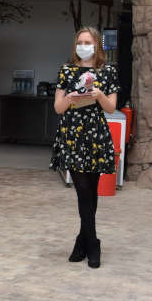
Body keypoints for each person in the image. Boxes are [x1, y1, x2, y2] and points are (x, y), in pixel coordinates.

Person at [50, 27, 119, 267]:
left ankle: (83, 241)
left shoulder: (108, 71)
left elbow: (111, 107)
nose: (83, 45)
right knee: (82, 189)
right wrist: (70, 97)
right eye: (80, 41)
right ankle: (93, 244)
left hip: (96, 135)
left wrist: (98, 94)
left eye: (88, 42)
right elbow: (58, 108)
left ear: (97, 45)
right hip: (72, 135)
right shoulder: (66, 70)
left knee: (91, 189)